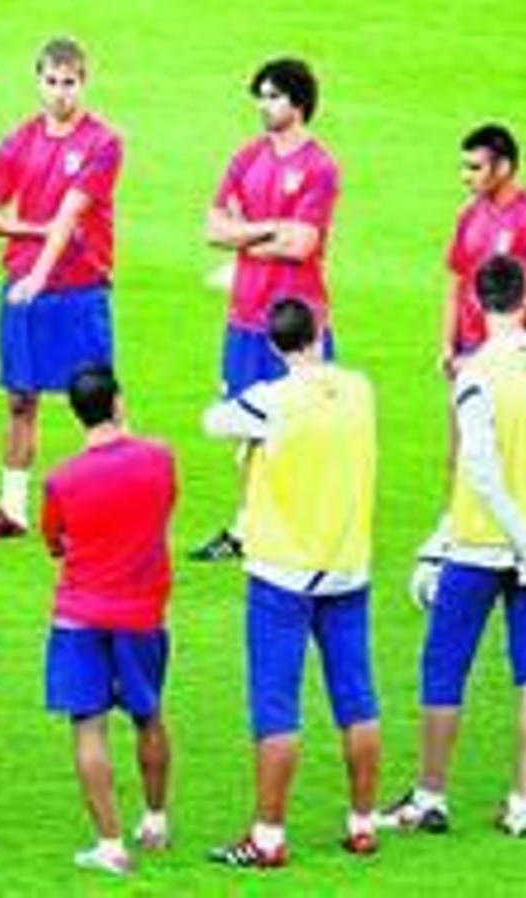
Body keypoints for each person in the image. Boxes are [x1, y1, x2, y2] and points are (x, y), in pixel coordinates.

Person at [377, 257, 526, 839]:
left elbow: (479, 467)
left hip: (479, 546)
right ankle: (523, 804)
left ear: (476, 302)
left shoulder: (476, 375)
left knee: (444, 668)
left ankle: (430, 797)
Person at [204, 298, 382, 866]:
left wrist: (255, 442)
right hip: (347, 563)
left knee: (277, 706)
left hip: (282, 569)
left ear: (272, 345)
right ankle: (362, 822)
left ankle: (268, 835)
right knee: (357, 699)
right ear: (321, 332)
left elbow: (214, 420)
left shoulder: (270, 400)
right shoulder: (359, 389)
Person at [0, 37, 123, 543]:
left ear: (84, 83)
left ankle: (110, 505)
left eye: (69, 82)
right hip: (23, 288)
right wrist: (32, 236)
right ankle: (12, 510)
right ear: (38, 82)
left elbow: (72, 213)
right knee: (20, 398)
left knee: (97, 398)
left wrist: (40, 271)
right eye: (52, 82)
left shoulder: (103, 144)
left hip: (79, 287)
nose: (60, 92)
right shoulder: (19, 140)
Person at [191, 55, 340, 563]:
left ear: (298, 103)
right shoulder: (246, 158)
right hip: (246, 317)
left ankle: (300, 528)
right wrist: (268, 228)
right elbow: (213, 229)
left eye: (274, 96)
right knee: (248, 427)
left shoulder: (319, 167)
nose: (263, 105)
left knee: (304, 428)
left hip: (298, 322)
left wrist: (244, 235)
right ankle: (247, 527)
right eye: (261, 95)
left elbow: (301, 245)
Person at [41, 364, 176, 875]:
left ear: (76, 413)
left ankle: (111, 844)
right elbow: (164, 507)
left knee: (88, 726)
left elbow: (54, 541)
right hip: (141, 613)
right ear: (118, 402)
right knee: (148, 715)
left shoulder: (62, 479)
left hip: (80, 614)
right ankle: (156, 820)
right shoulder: (158, 458)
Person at [442, 123, 526, 373]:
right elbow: (456, 282)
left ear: (504, 167)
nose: (465, 176)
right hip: (469, 350)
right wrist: (448, 345)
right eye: (464, 167)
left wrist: (491, 353)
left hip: (515, 358)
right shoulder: (470, 213)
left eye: (475, 168)